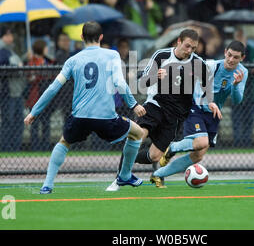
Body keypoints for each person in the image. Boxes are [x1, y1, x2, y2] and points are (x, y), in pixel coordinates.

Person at [24, 21, 146, 194]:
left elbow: (53, 88)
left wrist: (34, 112)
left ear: (81, 37)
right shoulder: (112, 55)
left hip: (80, 117)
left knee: (64, 142)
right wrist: (133, 104)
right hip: (106, 118)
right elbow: (119, 82)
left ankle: (47, 185)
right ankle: (125, 175)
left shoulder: (72, 60)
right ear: (101, 37)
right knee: (138, 133)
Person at [107, 28, 219, 191]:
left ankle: (127, 158)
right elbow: (141, 83)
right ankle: (119, 178)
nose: (190, 51)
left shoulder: (197, 64)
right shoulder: (161, 56)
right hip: (155, 105)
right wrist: (154, 77)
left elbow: (206, 89)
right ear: (179, 41)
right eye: (187, 46)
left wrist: (210, 102)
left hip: (175, 117)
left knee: (154, 156)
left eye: (193, 48)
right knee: (138, 135)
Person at [151, 41, 247, 187]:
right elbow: (195, 85)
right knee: (202, 142)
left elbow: (237, 100)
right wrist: (208, 101)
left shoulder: (242, 72)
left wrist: (234, 86)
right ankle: (172, 147)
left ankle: (158, 174)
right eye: (229, 55)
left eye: (236, 57)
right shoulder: (211, 66)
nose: (231, 60)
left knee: (198, 155)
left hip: (213, 114)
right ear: (225, 52)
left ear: (242, 58)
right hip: (196, 106)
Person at [231, 29, 254, 147]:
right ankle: (237, 142)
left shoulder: (252, 51)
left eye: (242, 38)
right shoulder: (231, 54)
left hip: (251, 90)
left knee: (249, 119)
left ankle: (247, 142)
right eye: (238, 38)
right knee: (237, 118)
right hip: (236, 91)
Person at [26, 40, 55, 151]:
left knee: (46, 123)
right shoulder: (32, 61)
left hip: (46, 97)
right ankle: (35, 147)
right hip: (36, 96)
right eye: (45, 47)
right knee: (35, 124)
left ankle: (46, 147)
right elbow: (31, 78)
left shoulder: (47, 61)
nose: (47, 49)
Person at [0, 26, 25, 152]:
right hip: (7, 92)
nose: (11, 37)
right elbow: (3, 67)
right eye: (8, 35)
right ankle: (5, 147)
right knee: (8, 122)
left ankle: (15, 147)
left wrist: (25, 58)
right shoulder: (2, 50)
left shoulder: (11, 51)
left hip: (17, 91)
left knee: (18, 122)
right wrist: (16, 67)